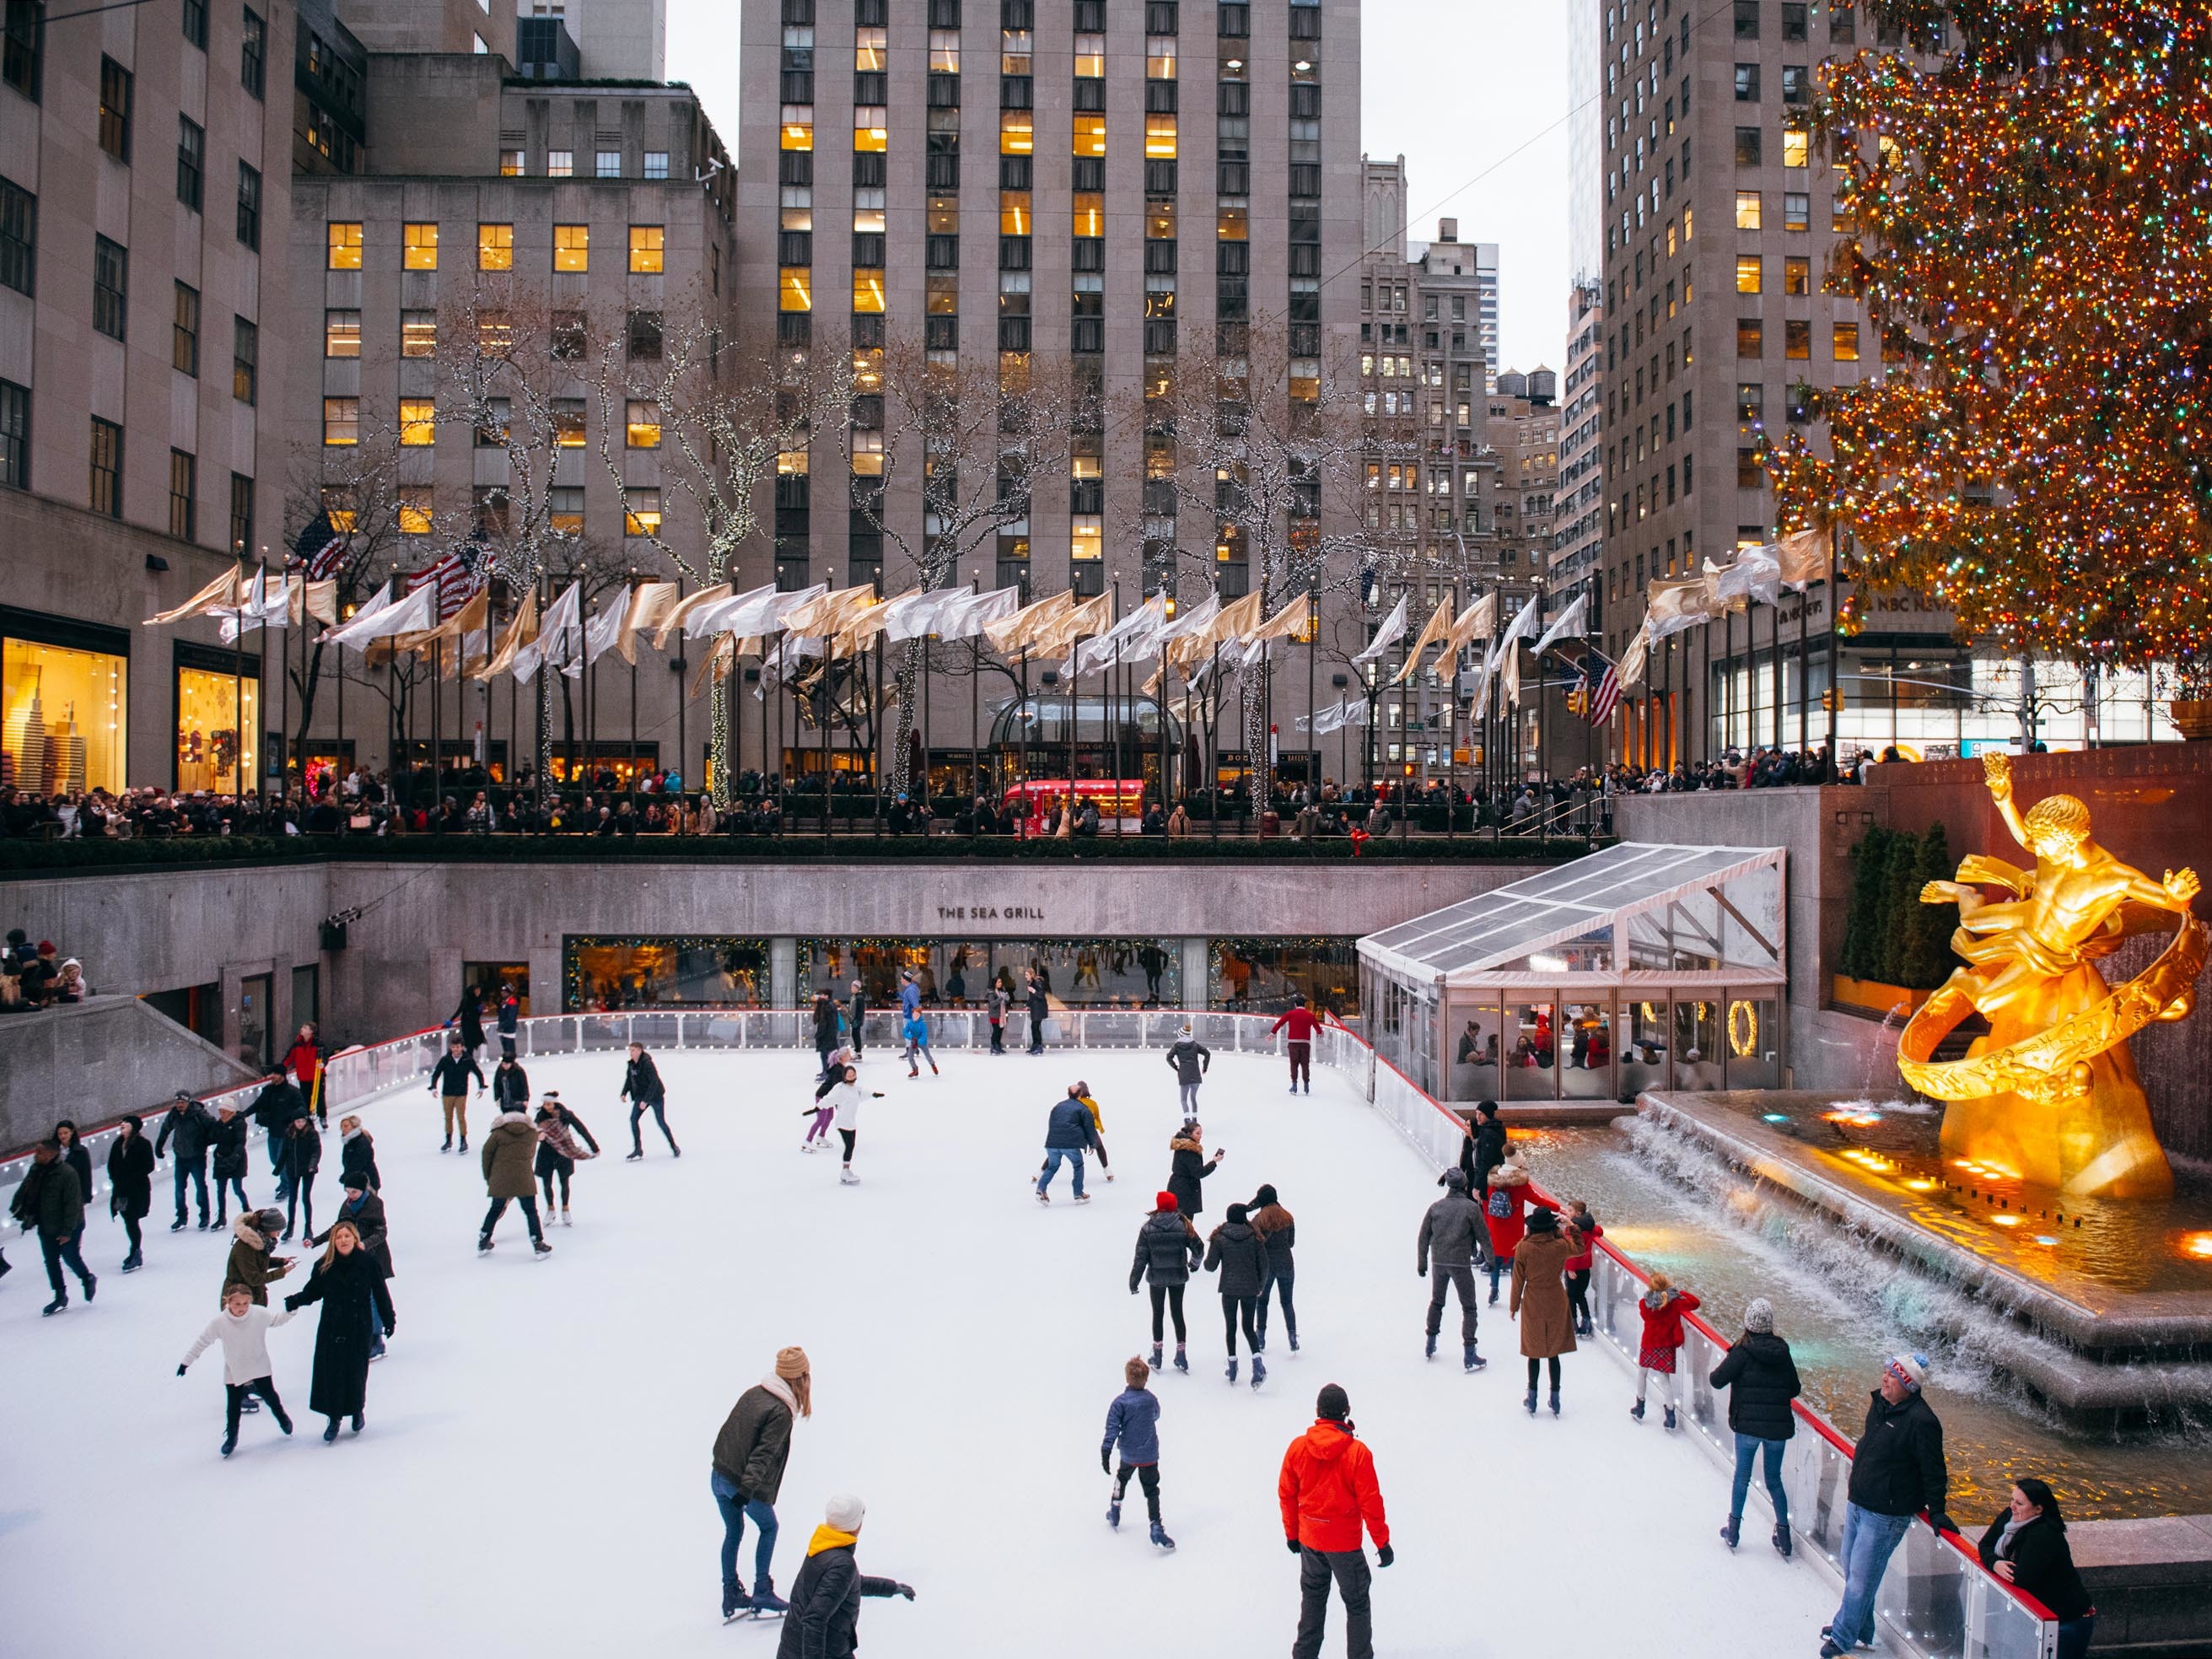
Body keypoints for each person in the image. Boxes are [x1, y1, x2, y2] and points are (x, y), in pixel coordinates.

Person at [1822, 1355, 1953, 1659]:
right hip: (1859, 1501)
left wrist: (1937, 1510)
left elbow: (1934, 1470)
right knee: (1851, 1569)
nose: (1884, 1379)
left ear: (1908, 1385)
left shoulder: (1923, 1422)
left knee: (1861, 1580)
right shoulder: (1880, 1405)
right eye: (1884, 1372)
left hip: (1885, 1514)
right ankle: (1861, 1629)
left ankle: (1842, 1638)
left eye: (1892, 1376)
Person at [1279, 1383, 1392, 1659]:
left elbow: (1286, 1493)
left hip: (1310, 1541)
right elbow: (1371, 1502)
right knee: (1357, 1605)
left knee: (1313, 1602)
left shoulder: (1298, 1448)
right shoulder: (1357, 1453)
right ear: (1347, 1413)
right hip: (1345, 1546)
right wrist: (1382, 1542)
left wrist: (1292, 1534)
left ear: (1318, 1412)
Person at [713, 1347, 811, 1620]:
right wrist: (746, 1489)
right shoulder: (780, 1410)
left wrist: (722, 1471)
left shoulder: (754, 1393)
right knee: (769, 1526)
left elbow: (727, 1433)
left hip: (719, 1477)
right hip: (740, 1484)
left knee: (734, 1531)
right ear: (800, 1378)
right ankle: (762, 1590)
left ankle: (731, 1591)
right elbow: (763, 1454)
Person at [282, 1218, 395, 1442]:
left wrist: (389, 1318)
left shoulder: (368, 1262)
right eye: (339, 1237)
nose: (343, 1240)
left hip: (358, 1325)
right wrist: (296, 1300)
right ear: (333, 1241)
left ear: (354, 1238)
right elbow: (313, 1292)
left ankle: (356, 1410)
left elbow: (380, 1292)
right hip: (332, 1326)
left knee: (355, 1371)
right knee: (331, 1373)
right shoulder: (324, 1265)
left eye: (347, 1236)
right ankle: (334, 1419)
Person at [1709, 1296, 1800, 1558]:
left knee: (1742, 1477)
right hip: (1777, 1431)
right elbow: (1795, 1388)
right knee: (1774, 1479)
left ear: (1748, 1323)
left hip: (1747, 1426)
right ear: (1770, 1325)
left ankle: (1734, 1530)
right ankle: (1784, 1535)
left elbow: (1716, 1380)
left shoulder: (1742, 1351)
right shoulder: (1782, 1352)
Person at [772, 1493, 914, 1659]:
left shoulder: (822, 1546)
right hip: (824, 1651)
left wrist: (891, 1587)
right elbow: (814, 1619)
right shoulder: (842, 1563)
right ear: (855, 1525)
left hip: (797, 1647)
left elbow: (846, 1585)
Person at [1976, 1479, 2096, 1659]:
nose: (2012, 1507)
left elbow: (2021, 1577)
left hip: (2067, 1621)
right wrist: (1995, 1563)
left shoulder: (2043, 1534)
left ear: (2038, 1509)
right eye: (2012, 1500)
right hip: (2037, 1618)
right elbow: (1985, 1544)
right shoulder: (2010, 1517)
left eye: (2019, 1503)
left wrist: (1998, 1565)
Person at [180, 1282, 298, 1455]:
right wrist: (186, 1362)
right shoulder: (219, 1322)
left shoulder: (258, 1313)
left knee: (270, 1395)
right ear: (228, 1302)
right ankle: (232, 1437)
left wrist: (291, 1310)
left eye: (245, 1303)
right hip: (234, 1369)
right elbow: (203, 1341)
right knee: (233, 1405)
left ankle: (282, 1418)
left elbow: (276, 1320)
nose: (241, 1308)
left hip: (259, 1364)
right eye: (237, 1304)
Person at [1416, 1167, 1488, 1372]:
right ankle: (1469, 1352)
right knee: (1469, 1307)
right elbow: (1483, 1235)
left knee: (1437, 1302)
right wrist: (1490, 1260)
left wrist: (1422, 1263)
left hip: (1439, 1262)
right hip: (1461, 1264)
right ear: (1465, 1185)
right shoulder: (1471, 1208)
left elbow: (1423, 1237)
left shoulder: (1435, 1208)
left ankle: (1430, 1341)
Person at [12, 1139, 94, 1316]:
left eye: (39, 1152)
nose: (36, 1155)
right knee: (51, 1260)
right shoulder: (36, 1170)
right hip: (46, 1223)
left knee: (70, 1256)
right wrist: (18, 1210)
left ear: (51, 1154)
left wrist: (66, 1232)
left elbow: (73, 1205)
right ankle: (60, 1295)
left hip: (69, 1224)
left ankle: (87, 1278)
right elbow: (25, 1192)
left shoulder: (67, 1174)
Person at [1102, 1355, 1174, 1549]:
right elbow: (1156, 1414)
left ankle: (1115, 1508)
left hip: (1129, 1453)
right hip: (1149, 1453)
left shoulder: (1120, 1403)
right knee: (1152, 1489)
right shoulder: (1150, 1399)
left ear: (1127, 1378)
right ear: (1146, 1379)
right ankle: (1156, 1525)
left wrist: (1106, 1449)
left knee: (1122, 1477)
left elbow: (1112, 1427)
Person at [1509, 1206, 1575, 1416]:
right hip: (1556, 1297)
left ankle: (1533, 1397)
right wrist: (1571, 1226)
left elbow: (1517, 1280)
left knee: (1534, 1352)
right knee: (1553, 1353)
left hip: (1533, 1300)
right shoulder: (1560, 1245)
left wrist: (1513, 1306)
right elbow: (1580, 1248)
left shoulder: (1524, 1248)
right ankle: (1555, 1398)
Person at [1130, 1192, 1203, 1374]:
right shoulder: (1183, 1225)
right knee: (1177, 1312)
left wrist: (1134, 1281)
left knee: (1158, 1313)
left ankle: (1158, 1353)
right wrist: (1193, 1265)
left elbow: (1140, 1258)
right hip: (1178, 1275)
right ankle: (1181, 1354)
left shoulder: (1147, 1228)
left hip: (1157, 1277)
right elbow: (1199, 1248)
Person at [1206, 1201, 1271, 1387]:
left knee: (1231, 1327)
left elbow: (1210, 1266)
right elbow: (1264, 1266)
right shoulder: (1254, 1237)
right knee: (1249, 1328)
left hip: (1229, 1288)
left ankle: (1233, 1366)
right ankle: (1258, 1364)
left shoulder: (1220, 1237)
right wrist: (1260, 1285)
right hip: (1250, 1288)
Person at [1480, 1157, 1558, 1305]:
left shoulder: (1493, 1181)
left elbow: (1489, 1198)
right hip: (1513, 1228)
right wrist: (1558, 1208)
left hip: (1496, 1226)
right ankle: (1516, 1295)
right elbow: (1538, 1200)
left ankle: (1494, 1290)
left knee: (1495, 1260)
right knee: (1516, 1263)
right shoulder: (1521, 1185)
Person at [1630, 1270, 1702, 1429]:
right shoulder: (1675, 1303)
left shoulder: (1644, 1304)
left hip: (1649, 1344)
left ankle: (1640, 1407)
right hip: (1665, 1346)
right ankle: (1670, 1416)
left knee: (1642, 1373)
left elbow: (1646, 1314)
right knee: (1665, 1380)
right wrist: (1678, 1293)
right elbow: (1696, 1302)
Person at [479, 1101, 552, 1256]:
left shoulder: (498, 1133)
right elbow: (533, 1151)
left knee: (495, 1208)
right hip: (523, 1178)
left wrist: (489, 1177)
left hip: (501, 1178)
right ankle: (537, 1243)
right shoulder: (531, 1134)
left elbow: (486, 1154)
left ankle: (484, 1239)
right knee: (531, 1211)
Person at [534, 1091, 600, 1224]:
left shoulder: (566, 1115)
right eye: (545, 1104)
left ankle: (565, 1209)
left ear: (555, 1103)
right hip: (546, 1153)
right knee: (547, 1183)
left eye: (549, 1104)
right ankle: (550, 1210)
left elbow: (582, 1129)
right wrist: (538, 1136)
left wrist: (594, 1147)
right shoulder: (540, 1117)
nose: (546, 1107)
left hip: (564, 1152)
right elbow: (533, 1132)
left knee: (564, 1182)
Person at [157, 1089, 215, 1231]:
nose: (180, 1105)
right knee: (179, 1189)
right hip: (181, 1157)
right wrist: (159, 1147)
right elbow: (165, 1129)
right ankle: (181, 1217)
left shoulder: (198, 1114)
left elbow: (213, 1126)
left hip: (197, 1157)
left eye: (182, 1102)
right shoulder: (174, 1115)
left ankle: (204, 1216)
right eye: (178, 1102)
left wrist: (206, 1141)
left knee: (200, 1186)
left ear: (188, 1102)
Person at [1249, 1182, 1297, 1352]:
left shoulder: (1259, 1219)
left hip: (1266, 1267)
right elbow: (1291, 1243)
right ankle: (1292, 1337)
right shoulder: (1288, 1216)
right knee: (1287, 1302)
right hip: (1287, 1264)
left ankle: (1260, 1339)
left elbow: (1256, 1242)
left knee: (1262, 1302)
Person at [106, 1112, 155, 1272]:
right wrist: (116, 1179)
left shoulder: (143, 1144)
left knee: (132, 1220)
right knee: (127, 1219)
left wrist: (131, 1177)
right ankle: (135, 1250)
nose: (122, 1125)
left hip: (137, 1190)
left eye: (126, 1124)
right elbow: (111, 1165)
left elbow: (149, 1166)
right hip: (121, 1190)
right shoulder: (117, 1144)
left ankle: (135, 1251)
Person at [223, 1205, 293, 1312]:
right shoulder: (245, 1248)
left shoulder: (260, 1243)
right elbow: (254, 1278)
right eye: (278, 1230)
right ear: (268, 1228)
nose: (279, 1234)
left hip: (251, 1297)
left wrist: (281, 1261)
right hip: (238, 1301)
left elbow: (258, 1263)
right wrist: (281, 1272)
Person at [1036, 1085, 1099, 1204]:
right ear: (1080, 1094)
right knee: (1078, 1165)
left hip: (1052, 1142)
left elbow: (1052, 1123)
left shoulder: (1057, 1107)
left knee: (1052, 1166)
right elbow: (1089, 1128)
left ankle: (1041, 1190)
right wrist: (1092, 1144)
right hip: (1071, 1144)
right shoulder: (1083, 1109)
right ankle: (1078, 1194)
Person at [622, 1042, 681, 1159]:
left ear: (640, 1051)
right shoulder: (632, 1064)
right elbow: (629, 1079)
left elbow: (654, 1082)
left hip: (655, 1096)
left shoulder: (648, 1064)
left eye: (633, 1050)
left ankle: (673, 1146)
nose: (631, 1053)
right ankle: (638, 1149)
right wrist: (624, 1092)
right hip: (641, 1096)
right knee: (633, 1120)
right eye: (630, 1050)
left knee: (661, 1122)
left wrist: (646, 1100)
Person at [428, 1036, 486, 1154]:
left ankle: (463, 1141)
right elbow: (436, 1074)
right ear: (451, 1047)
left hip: (461, 1093)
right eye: (453, 1047)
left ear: (462, 1047)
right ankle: (448, 1140)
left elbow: (478, 1073)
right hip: (447, 1093)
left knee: (460, 1117)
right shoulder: (445, 1060)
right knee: (448, 1117)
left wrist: (481, 1087)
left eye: (458, 1047)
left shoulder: (467, 1059)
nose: (455, 1049)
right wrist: (433, 1087)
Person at [1167, 1121, 1224, 1222]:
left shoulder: (1181, 1146)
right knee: (1185, 1224)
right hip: (1185, 1191)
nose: (1200, 1136)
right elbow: (1199, 1172)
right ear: (1189, 1134)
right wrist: (1214, 1162)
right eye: (1197, 1133)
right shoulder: (1190, 1150)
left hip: (1176, 1186)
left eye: (1201, 1133)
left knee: (1175, 1222)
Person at [1562, 1201, 1602, 1337]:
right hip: (1585, 1268)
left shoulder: (1573, 1229)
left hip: (1574, 1269)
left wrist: (1570, 1269)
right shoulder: (1588, 1226)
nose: (1567, 1213)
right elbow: (1599, 1231)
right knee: (1580, 1295)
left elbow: (1574, 1250)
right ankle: (1586, 1320)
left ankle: (1572, 1323)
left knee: (1571, 1296)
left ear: (1578, 1214)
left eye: (1570, 1211)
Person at [278, 1116, 321, 1242]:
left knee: (305, 1198)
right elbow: (285, 1152)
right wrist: (279, 1168)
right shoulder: (289, 1133)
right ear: (294, 1122)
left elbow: (317, 1151)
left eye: (303, 1121)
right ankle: (290, 1227)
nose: (301, 1124)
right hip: (293, 1170)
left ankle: (308, 1228)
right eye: (298, 1121)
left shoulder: (312, 1133)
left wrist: (312, 1165)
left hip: (308, 1170)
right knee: (292, 1199)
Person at [207, 1102, 250, 1225]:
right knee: (220, 1190)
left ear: (231, 1112)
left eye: (224, 1111)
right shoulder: (219, 1125)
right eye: (220, 1111)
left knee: (237, 1188)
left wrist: (234, 1158)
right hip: (221, 1159)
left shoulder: (239, 1123)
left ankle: (246, 1209)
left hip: (236, 1160)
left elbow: (240, 1142)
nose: (221, 1114)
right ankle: (221, 1216)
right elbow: (213, 1138)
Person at [1271, 994, 1322, 1094]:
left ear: (1295, 1005)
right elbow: (1317, 1028)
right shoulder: (1310, 1015)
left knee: (1294, 1064)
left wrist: (1272, 1033)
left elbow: (1280, 1023)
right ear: (1304, 1005)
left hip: (1293, 1042)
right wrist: (1320, 1033)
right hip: (1305, 1043)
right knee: (1305, 1064)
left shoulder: (1290, 1014)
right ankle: (1306, 1085)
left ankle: (1294, 1086)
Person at [1165, 1024, 1210, 1119]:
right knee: (1193, 1098)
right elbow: (1207, 1053)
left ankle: (1187, 1119)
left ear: (1180, 1035)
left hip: (1184, 1075)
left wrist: (1176, 1067)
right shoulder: (1195, 1045)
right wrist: (1205, 1067)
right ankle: (1195, 1118)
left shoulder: (1177, 1046)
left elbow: (1169, 1058)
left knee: (1183, 1100)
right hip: (1196, 1075)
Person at [1468, 1100, 1507, 1195]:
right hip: (1497, 1177)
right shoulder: (1498, 1128)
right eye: (1476, 1113)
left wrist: (1477, 1186)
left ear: (1488, 1115)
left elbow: (1485, 1161)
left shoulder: (1487, 1134)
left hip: (1488, 1182)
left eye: (1481, 1114)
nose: (1477, 1117)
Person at [337, 1114, 381, 1193]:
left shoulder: (362, 1142)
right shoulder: (349, 1141)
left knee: (369, 1204)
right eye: (342, 1127)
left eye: (346, 1126)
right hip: (356, 1182)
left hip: (367, 1181)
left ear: (354, 1126)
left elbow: (358, 1163)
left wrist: (345, 1176)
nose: (343, 1129)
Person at [449, 983, 487, 1058]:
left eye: (479, 991)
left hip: (475, 1025)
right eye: (476, 991)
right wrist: (451, 1020)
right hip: (468, 1025)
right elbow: (459, 1010)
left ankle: (468, 1059)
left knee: (472, 1045)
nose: (478, 992)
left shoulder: (478, 1000)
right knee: (469, 1044)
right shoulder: (467, 1000)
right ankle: (468, 1060)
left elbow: (476, 1013)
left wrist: (480, 1011)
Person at [490, 1052, 530, 1119]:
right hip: (505, 1101)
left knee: (519, 1120)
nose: (504, 1065)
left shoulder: (519, 1071)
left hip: (517, 1100)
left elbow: (524, 1086)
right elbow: (497, 1084)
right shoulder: (500, 1070)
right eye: (503, 1064)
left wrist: (525, 1099)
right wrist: (497, 1097)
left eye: (507, 1064)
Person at [901, 1007, 938, 1077]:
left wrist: (918, 1041)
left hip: (922, 1043)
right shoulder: (910, 1023)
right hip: (913, 1041)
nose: (915, 1016)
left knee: (928, 1056)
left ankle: (933, 1065)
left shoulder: (922, 1024)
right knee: (910, 1056)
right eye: (914, 1014)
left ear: (920, 1015)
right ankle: (915, 1069)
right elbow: (905, 1032)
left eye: (917, 1015)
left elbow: (924, 1035)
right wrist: (911, 1038)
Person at [812, 988, 841, 1079]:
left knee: (826, 1054)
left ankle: (827, 1072)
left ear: (827, 996)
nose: (820, 997)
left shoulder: (829, 1006)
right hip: (826, 1034)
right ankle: (825, 1070)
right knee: (824, 1054)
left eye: (822, 995)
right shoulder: (824, 1005)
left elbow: (827, 1022)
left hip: (828, 1034)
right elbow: (819, 1020)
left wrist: (821, 1034)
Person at [1024, 972, 1049, 1055]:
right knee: (1034, 1027)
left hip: (1039, 1008)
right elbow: (1032, 997)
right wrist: (1028, 1005)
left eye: (1027, 975)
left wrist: (1034, 991)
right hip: (1035, 1008)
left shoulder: (1038, 982)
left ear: (1031, 975)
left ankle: (1038, 1047)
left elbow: (1041, 995)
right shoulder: (1031, 983)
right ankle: (1035, 1045)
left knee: (1035, 1027)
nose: (1025, 976)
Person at [846, 978, 869, 1058]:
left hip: (856, 1020)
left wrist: (858, 1020)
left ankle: (858, 1052)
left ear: (857, 988)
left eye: (852, 987)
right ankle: (857, 1051)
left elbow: (860, 1010)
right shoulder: (855, 997)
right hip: (854, 1019)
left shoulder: (859, 998)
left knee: (856, 1034)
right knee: (855, 1034)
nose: (851, 989)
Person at [496, 987, 521, 1058]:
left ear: (509, 993)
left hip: (508, 1030)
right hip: (503, 1029)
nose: (502, 993)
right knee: (506, 1049)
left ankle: (510, 1063)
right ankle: (508, 1062)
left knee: (509, 1049)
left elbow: (511, 1018)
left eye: (505, 992)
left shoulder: (512, 1002)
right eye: (502, 991)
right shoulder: (504, 1002)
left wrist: (501, 1026)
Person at [987, 981, 1009, 1054]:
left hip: (1001, 1014)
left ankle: (998, 1045)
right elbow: (992, 1004)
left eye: (1001, 982)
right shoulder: (991, 993)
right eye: (999, 982)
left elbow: (1005, 1001)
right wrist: (1001, 998)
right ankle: (993, 1047)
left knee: (1000, 1030)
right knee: (996, 1031)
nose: (1001, 983)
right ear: (995, 983)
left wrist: (1006, 998)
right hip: (995, 1014)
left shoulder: (1000, 991)